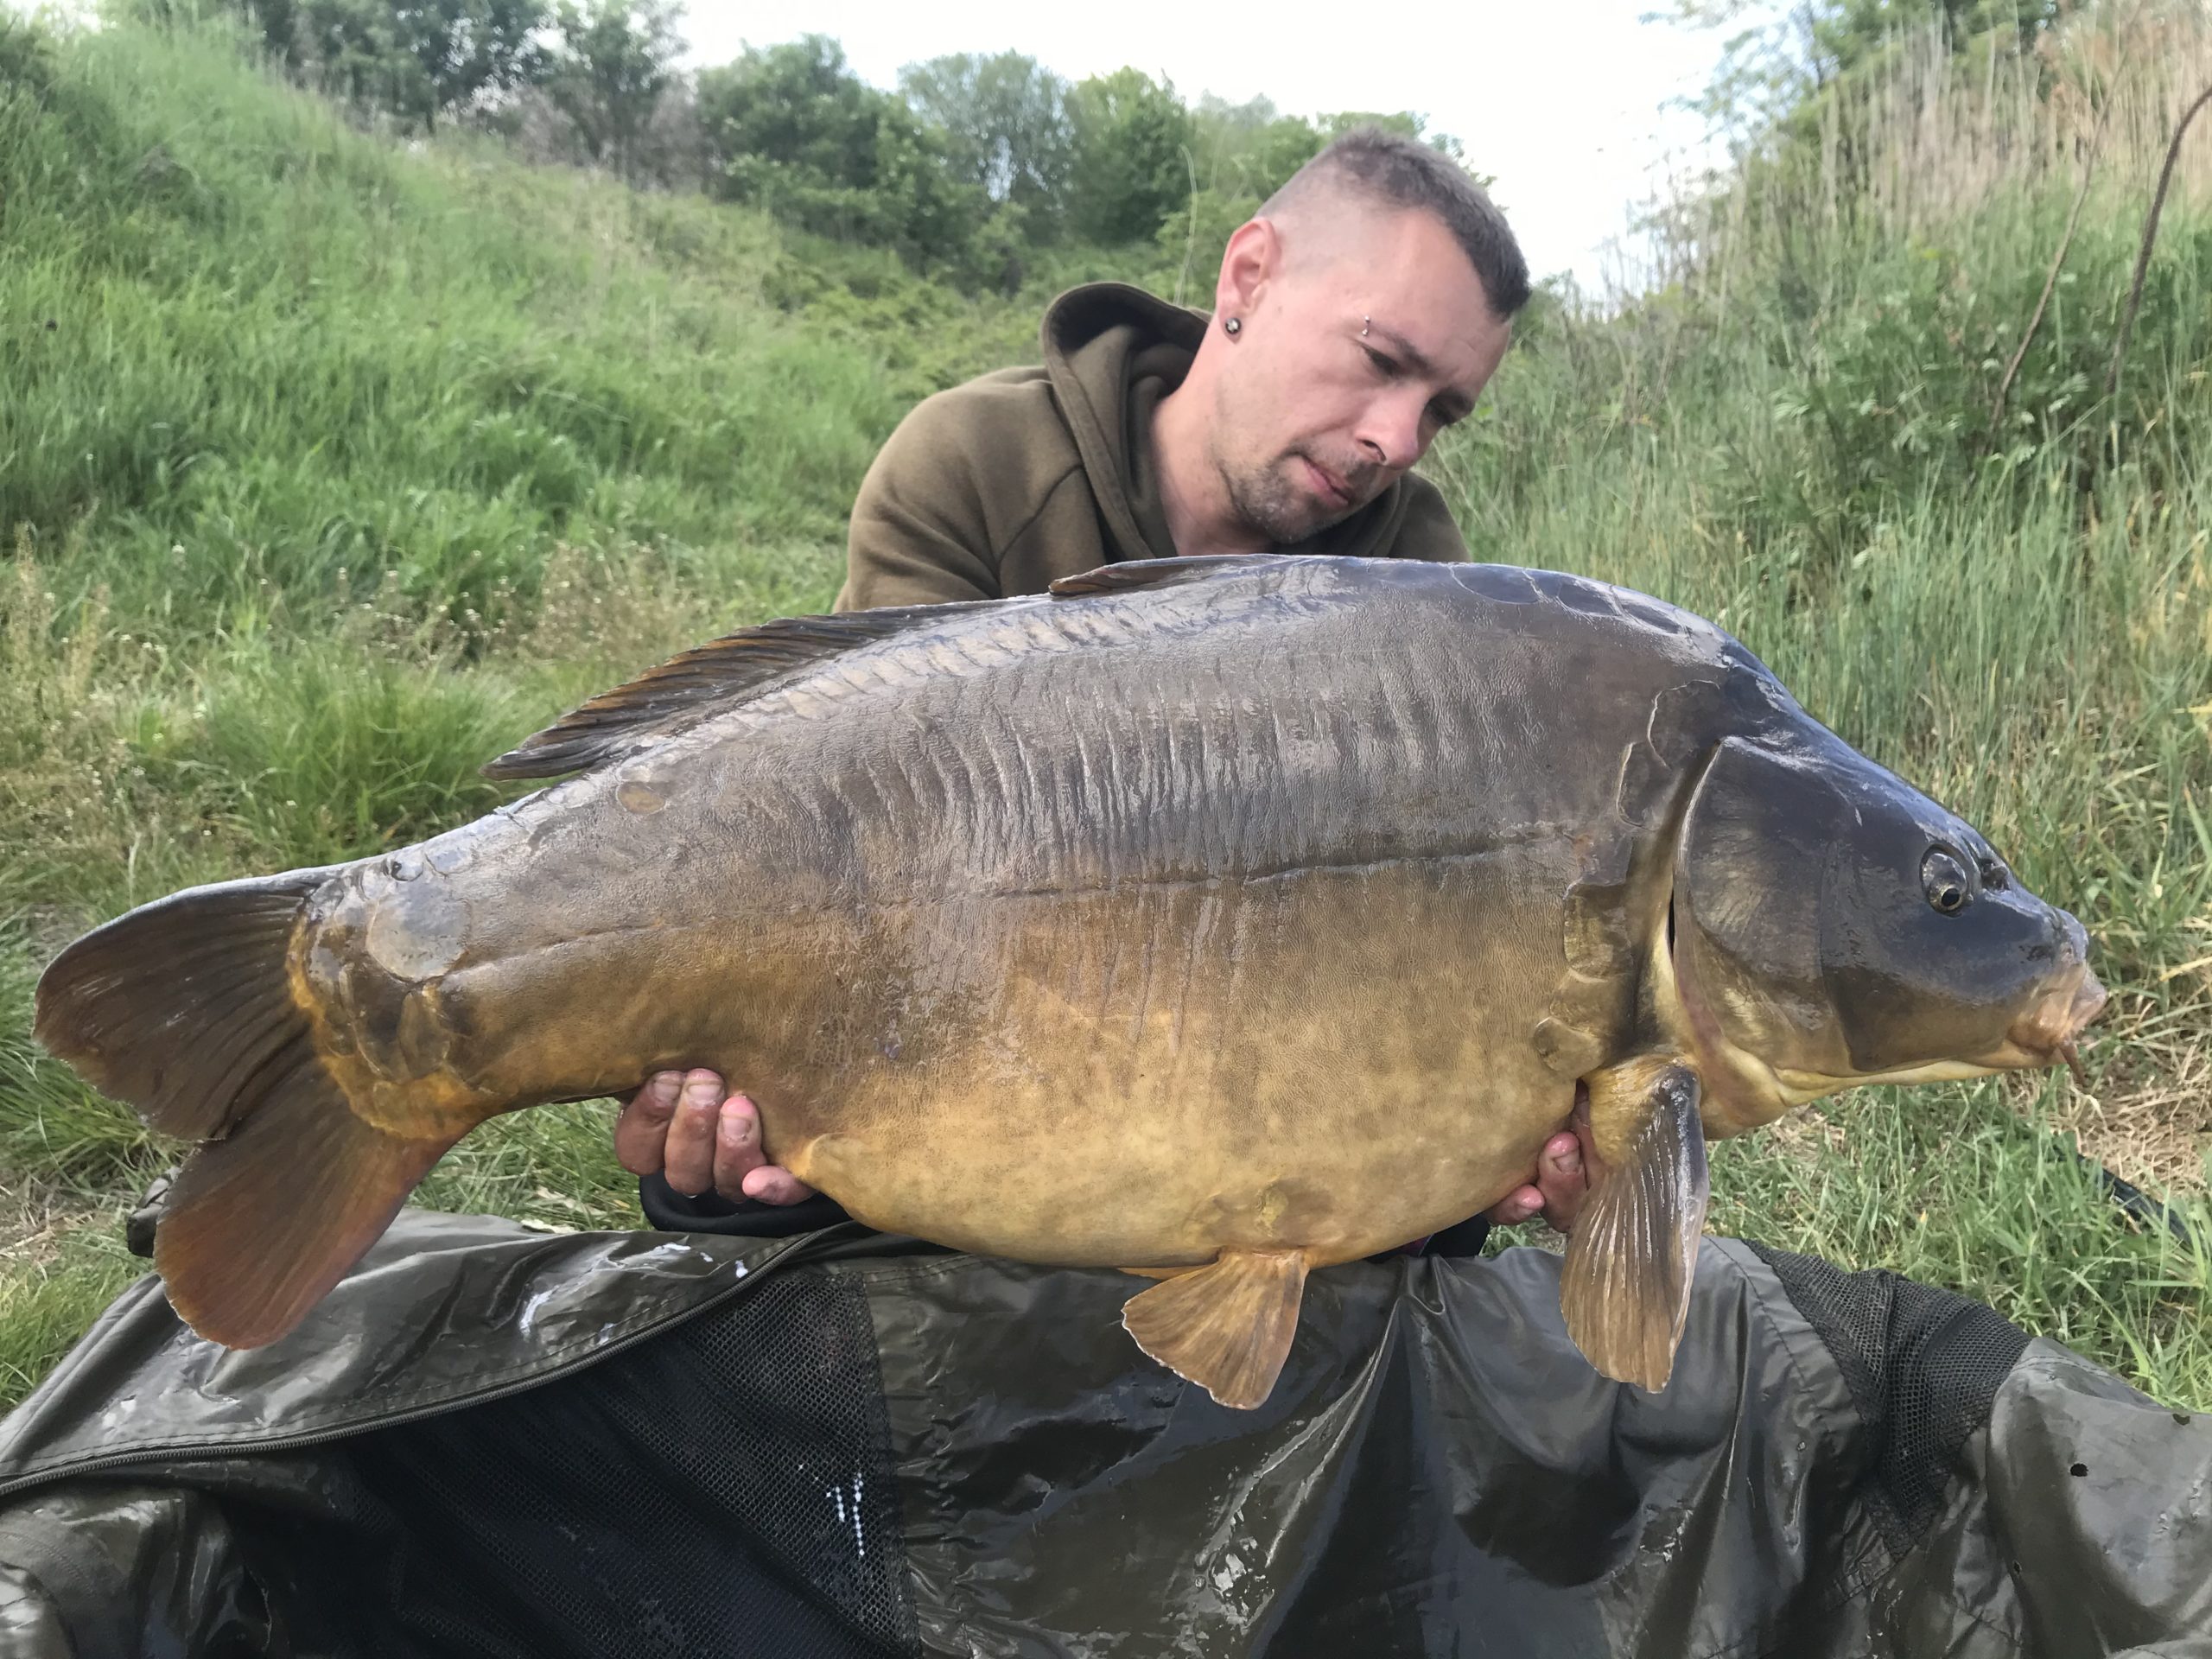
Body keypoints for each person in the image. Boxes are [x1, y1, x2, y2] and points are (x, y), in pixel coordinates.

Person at [612, 128, 1592, 1250]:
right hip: (968, 1044)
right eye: (1380, 361)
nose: (1395, 440)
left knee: (1424, 1225)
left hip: (1255, 1103)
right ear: (1250, 275)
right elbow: (845, 846)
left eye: (1442, 411)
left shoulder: (1420, 594)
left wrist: (1491, 1139)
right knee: (747, 1185)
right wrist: (728, 1126)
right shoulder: (976, 464)